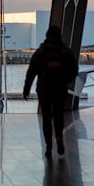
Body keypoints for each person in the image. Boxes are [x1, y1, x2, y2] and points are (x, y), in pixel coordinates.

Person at [23, 25, 79, 158]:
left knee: (46, 118)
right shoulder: (65, 52)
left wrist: (26, 89)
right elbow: (74, 70)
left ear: (47, 36)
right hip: (60, 88)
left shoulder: (41, 52)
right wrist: (65, 80)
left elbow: (31, 72)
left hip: (44, 89)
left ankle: (48, 146)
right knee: (59, 115)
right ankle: (59, 136)